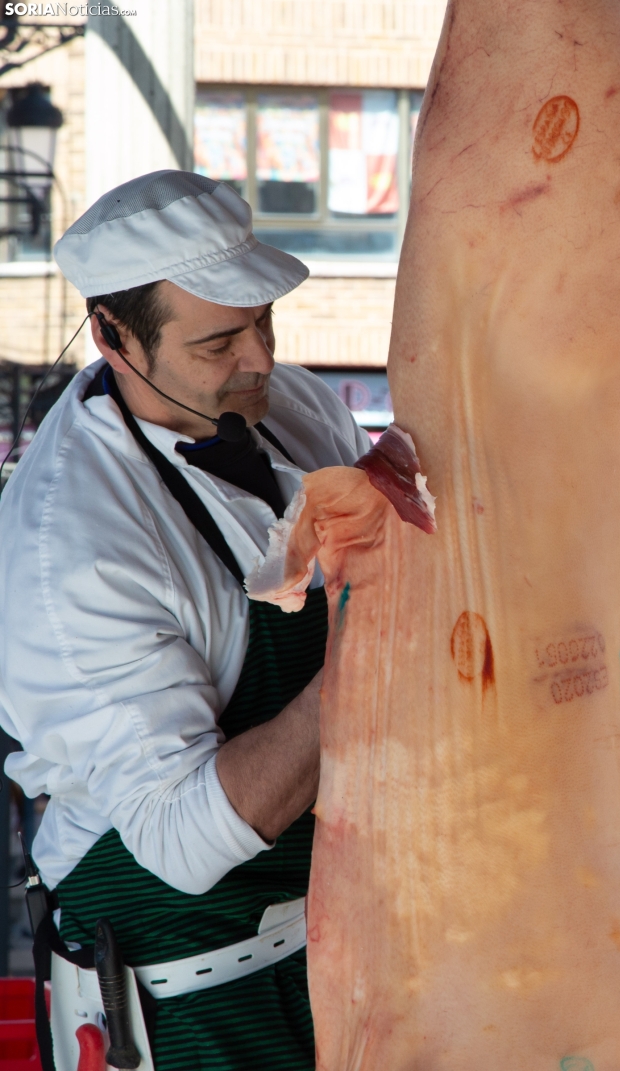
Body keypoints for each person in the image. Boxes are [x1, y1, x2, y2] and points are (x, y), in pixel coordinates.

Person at [0, 170, 370, 1070]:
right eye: (219, 342)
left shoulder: (288, 409)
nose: (264, 361)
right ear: (114, 337)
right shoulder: (74, 547)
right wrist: (375, 656)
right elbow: (182, 837)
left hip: (345, 939)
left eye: (263, 322)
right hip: (191, 996)